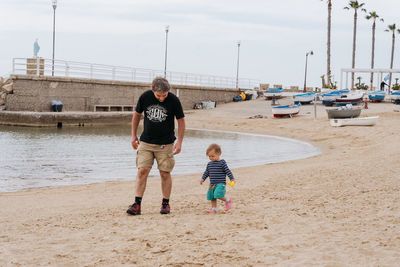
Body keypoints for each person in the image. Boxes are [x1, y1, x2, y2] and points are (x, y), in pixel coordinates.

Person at [126, 77, 185, 215]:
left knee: (165, 173)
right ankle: (137, 204)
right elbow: (136, 116)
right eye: (159, 95)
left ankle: (165, 204)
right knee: (142, 170)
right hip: (146, 142)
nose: (162, 98)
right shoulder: (145, 97)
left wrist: (180, 142)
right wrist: (133, 135)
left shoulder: (174, 100)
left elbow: (181, 121)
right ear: (153, 91)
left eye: (164, 95)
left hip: (166, 143)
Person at [200, 143, 235, 213]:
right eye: (209, 156)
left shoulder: (222, 163)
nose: (211, 158)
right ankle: (214, 209)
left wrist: (232, 178)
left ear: (219, 154)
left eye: (213, 156)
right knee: (212, 196)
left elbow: (228, 171)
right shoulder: (209, 164)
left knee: (218, 195)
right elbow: (206, 172)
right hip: (212, 184)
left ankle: (227, 200)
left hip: (220, 183)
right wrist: (203, 178)